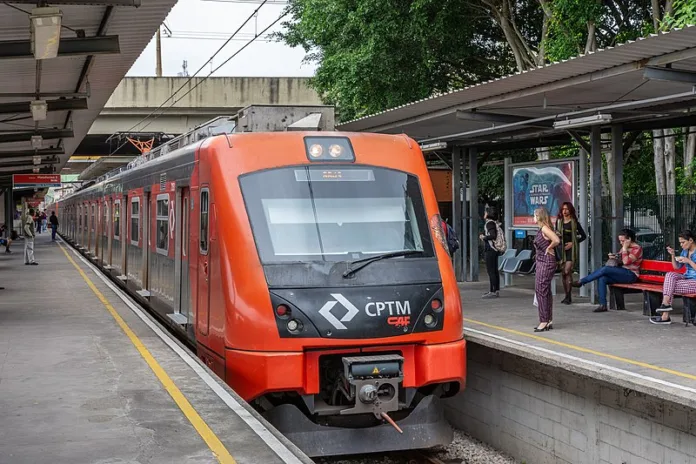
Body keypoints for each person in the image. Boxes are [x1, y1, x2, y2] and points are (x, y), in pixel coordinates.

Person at [573, 228, 643, 313]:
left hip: (631, 275)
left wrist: (624, 248)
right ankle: (603, 305)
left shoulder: (637, 249)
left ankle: (582, 281)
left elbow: (626, 261)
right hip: (622, 272)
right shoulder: (624, 248)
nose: (621, 243)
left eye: (623, 241)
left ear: (629, 239)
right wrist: (614, 257)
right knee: (602, 278)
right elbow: (621, 260)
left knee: (605, 269)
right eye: (620, 241)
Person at [650, 230, 696, 325]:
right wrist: (673, 255)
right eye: (680, 243)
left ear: (691, 240)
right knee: (670, 275)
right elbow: (676, 267)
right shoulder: (685, 251)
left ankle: (665, 315)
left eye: (683, 242)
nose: (681, 245)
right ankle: (666, 304)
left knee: (669, 286)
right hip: (686, 278)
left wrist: (689, 261)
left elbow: (689, 263)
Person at [532, 207, 561, 332]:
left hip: (546, 261)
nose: (533, 217)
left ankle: (543, 321)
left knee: (541, 289)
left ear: (539, 216)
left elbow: (556, 240)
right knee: (545, 290)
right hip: (543, 261)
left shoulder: (544, 228)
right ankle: (548, 319)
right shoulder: (543, 228)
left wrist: (549, 247)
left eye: (534, 215)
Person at [555, 202, 587, 305]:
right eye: (563, 209)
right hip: (561, 250)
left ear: (570, 210)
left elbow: (583, 236)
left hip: (571, 250)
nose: (564, 211)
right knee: (563, 273)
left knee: (567, 271)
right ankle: (567, 295)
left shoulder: (574, 222)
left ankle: (568, 296)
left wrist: (573, 243)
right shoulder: (558, 221)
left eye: (567, 209)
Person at [479, 206, 502, 299]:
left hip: (490, 250)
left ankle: (492, 291)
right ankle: (496, 290)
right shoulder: (494, 223)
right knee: (495, 270)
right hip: (495, 250)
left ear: (488, 214)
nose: (484, 214)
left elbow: (492, 235)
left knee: (491, 271)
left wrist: (483, 237)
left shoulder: (489, 223)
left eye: (485, 212)